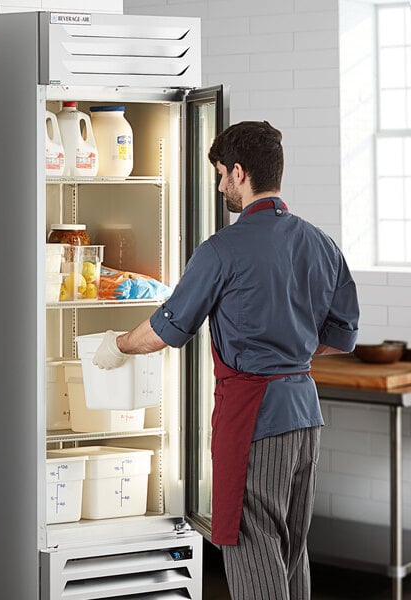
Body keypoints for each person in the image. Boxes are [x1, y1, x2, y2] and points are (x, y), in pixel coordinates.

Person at [92, 120, 359, 600]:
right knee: (291, 548)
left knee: (252, 542)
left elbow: (163, 331)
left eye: (220, 174)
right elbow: (340, 338)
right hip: (305, 410)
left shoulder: (222, 249)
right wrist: (289, 350)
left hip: (254, 415)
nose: (219, 187)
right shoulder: (322, 243)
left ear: (239, 173)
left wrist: (116, 345)